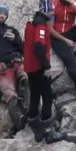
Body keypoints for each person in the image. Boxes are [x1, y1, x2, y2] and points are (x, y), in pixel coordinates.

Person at [23, 7, 59, 142]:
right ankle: (48, 131)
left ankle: (35, 125)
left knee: (35, 95)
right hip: (38, 67)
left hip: (30, 67)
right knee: (47, 96)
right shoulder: (41, 26)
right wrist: (46, 66)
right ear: (46, 11)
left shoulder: (31, 23)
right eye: (51, 11)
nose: (53, 13)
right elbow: (39, 46)